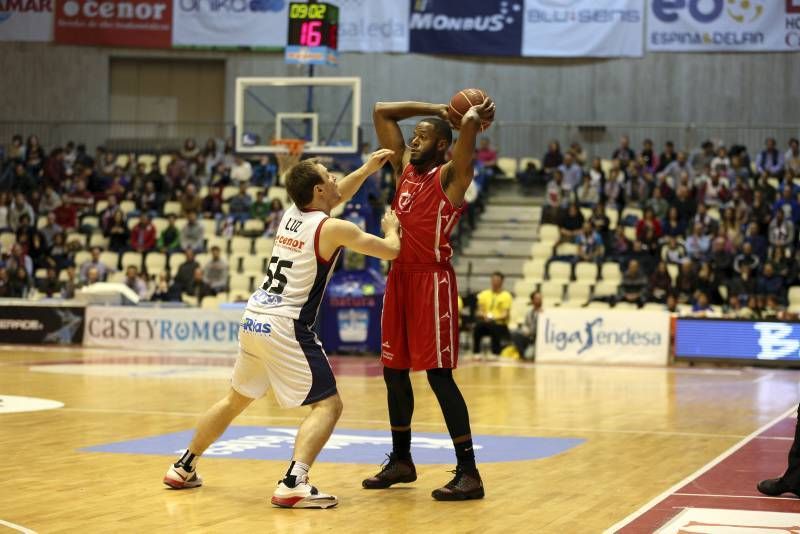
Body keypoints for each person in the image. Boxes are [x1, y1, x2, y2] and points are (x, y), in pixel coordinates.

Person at [162, 149, 401, 510]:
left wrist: (367, 169)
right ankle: (294, 481)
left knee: (234, 400)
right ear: (318, 191)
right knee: (328, 405)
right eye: (328, 176)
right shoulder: (333, 228)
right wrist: (392, 229)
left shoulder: (293, 214)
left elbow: (338, 194)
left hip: (255, 316)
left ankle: (184, 465)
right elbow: (390, 252)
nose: (335, 179)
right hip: (286, 324)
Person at [364, 95, 495, 501]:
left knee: (439, 377)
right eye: (414, 136)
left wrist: (468, 118)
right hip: (398, 279)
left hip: (432, 283)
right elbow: (382, 111)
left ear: (442, 146)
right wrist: (439, 111)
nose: (414, 142)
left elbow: (466, 144)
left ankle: (469, 473)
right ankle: (402, 461)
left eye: (423, 138)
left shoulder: (450, 177)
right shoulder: (403, 169)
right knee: (393, 371)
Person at [472, 271, 513, 357]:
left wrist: (493, 318)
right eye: (493, 280)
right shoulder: (484, 294)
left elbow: (505, 314)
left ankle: (495, 353)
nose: (495, 282)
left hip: (499, 323)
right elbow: (479, 311)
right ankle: (476, 352)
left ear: (502, 282)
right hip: (486, 321)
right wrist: (484, 316)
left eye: (497, 280)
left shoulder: (506, 295)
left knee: (494, 327)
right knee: (478, 326)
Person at [510, 291, 542, 360]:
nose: (540, 300)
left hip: (537, 339)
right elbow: (525, 324)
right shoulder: (529, 313)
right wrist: (525, 330)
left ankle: (527, 353)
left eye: (540, 298)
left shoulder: (544, 312)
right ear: (532, 300)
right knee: (515, 333)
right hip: (528, 337)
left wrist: (531, 332)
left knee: (529, 356)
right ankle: (521, 353)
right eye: (537, 298)